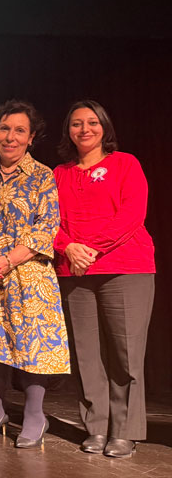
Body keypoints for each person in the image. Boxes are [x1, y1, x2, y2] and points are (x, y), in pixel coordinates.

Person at [0, 100, 69, 449]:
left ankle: (35, 415)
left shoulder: (42, 176)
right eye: (4, 129)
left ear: (31, 137)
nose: (10, 137)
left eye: (20, 130)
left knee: (31, 345)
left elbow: (46, 227)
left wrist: (8, 260)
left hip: (29, 273)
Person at [53, 100, 155, 459]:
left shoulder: (125, 163)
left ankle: (124, 432)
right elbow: (48, 221)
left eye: (92, 122)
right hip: (75, 271)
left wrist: (90, 248)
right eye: (77, 123)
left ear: (104, 127)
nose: (85, 129)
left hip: (125, 267)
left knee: (126, 355)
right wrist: (68, 248)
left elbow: (132, 214)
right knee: (86, 354)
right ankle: (96, 427)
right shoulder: (59, 173)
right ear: (68, 131)